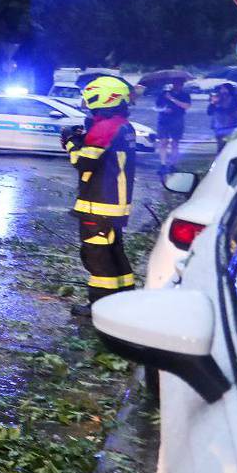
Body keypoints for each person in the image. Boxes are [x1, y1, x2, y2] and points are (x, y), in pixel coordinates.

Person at [65, 76, 139, 316]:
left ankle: (99, 307)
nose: (87, 104)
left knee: (96, 256)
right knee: (114, 252)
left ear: (104, 97)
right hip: (116, 205)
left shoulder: (105, 128)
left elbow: (82, 162)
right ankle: (125, 299)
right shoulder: (123, 125)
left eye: (90, 99)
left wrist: (70, 142)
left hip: (99, 205)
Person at [154, 80, 191, 172]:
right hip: (164, 120)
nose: (177, 86)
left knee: (175, 143)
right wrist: (164, 110)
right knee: (163, 142)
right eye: (175, 84)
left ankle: (173, 164)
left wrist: (172, 99)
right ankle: (163, 163)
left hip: (177, 120)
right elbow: (157, 107)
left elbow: (186, 106)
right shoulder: (164, 94)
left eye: (179, 84)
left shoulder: (185, 95)